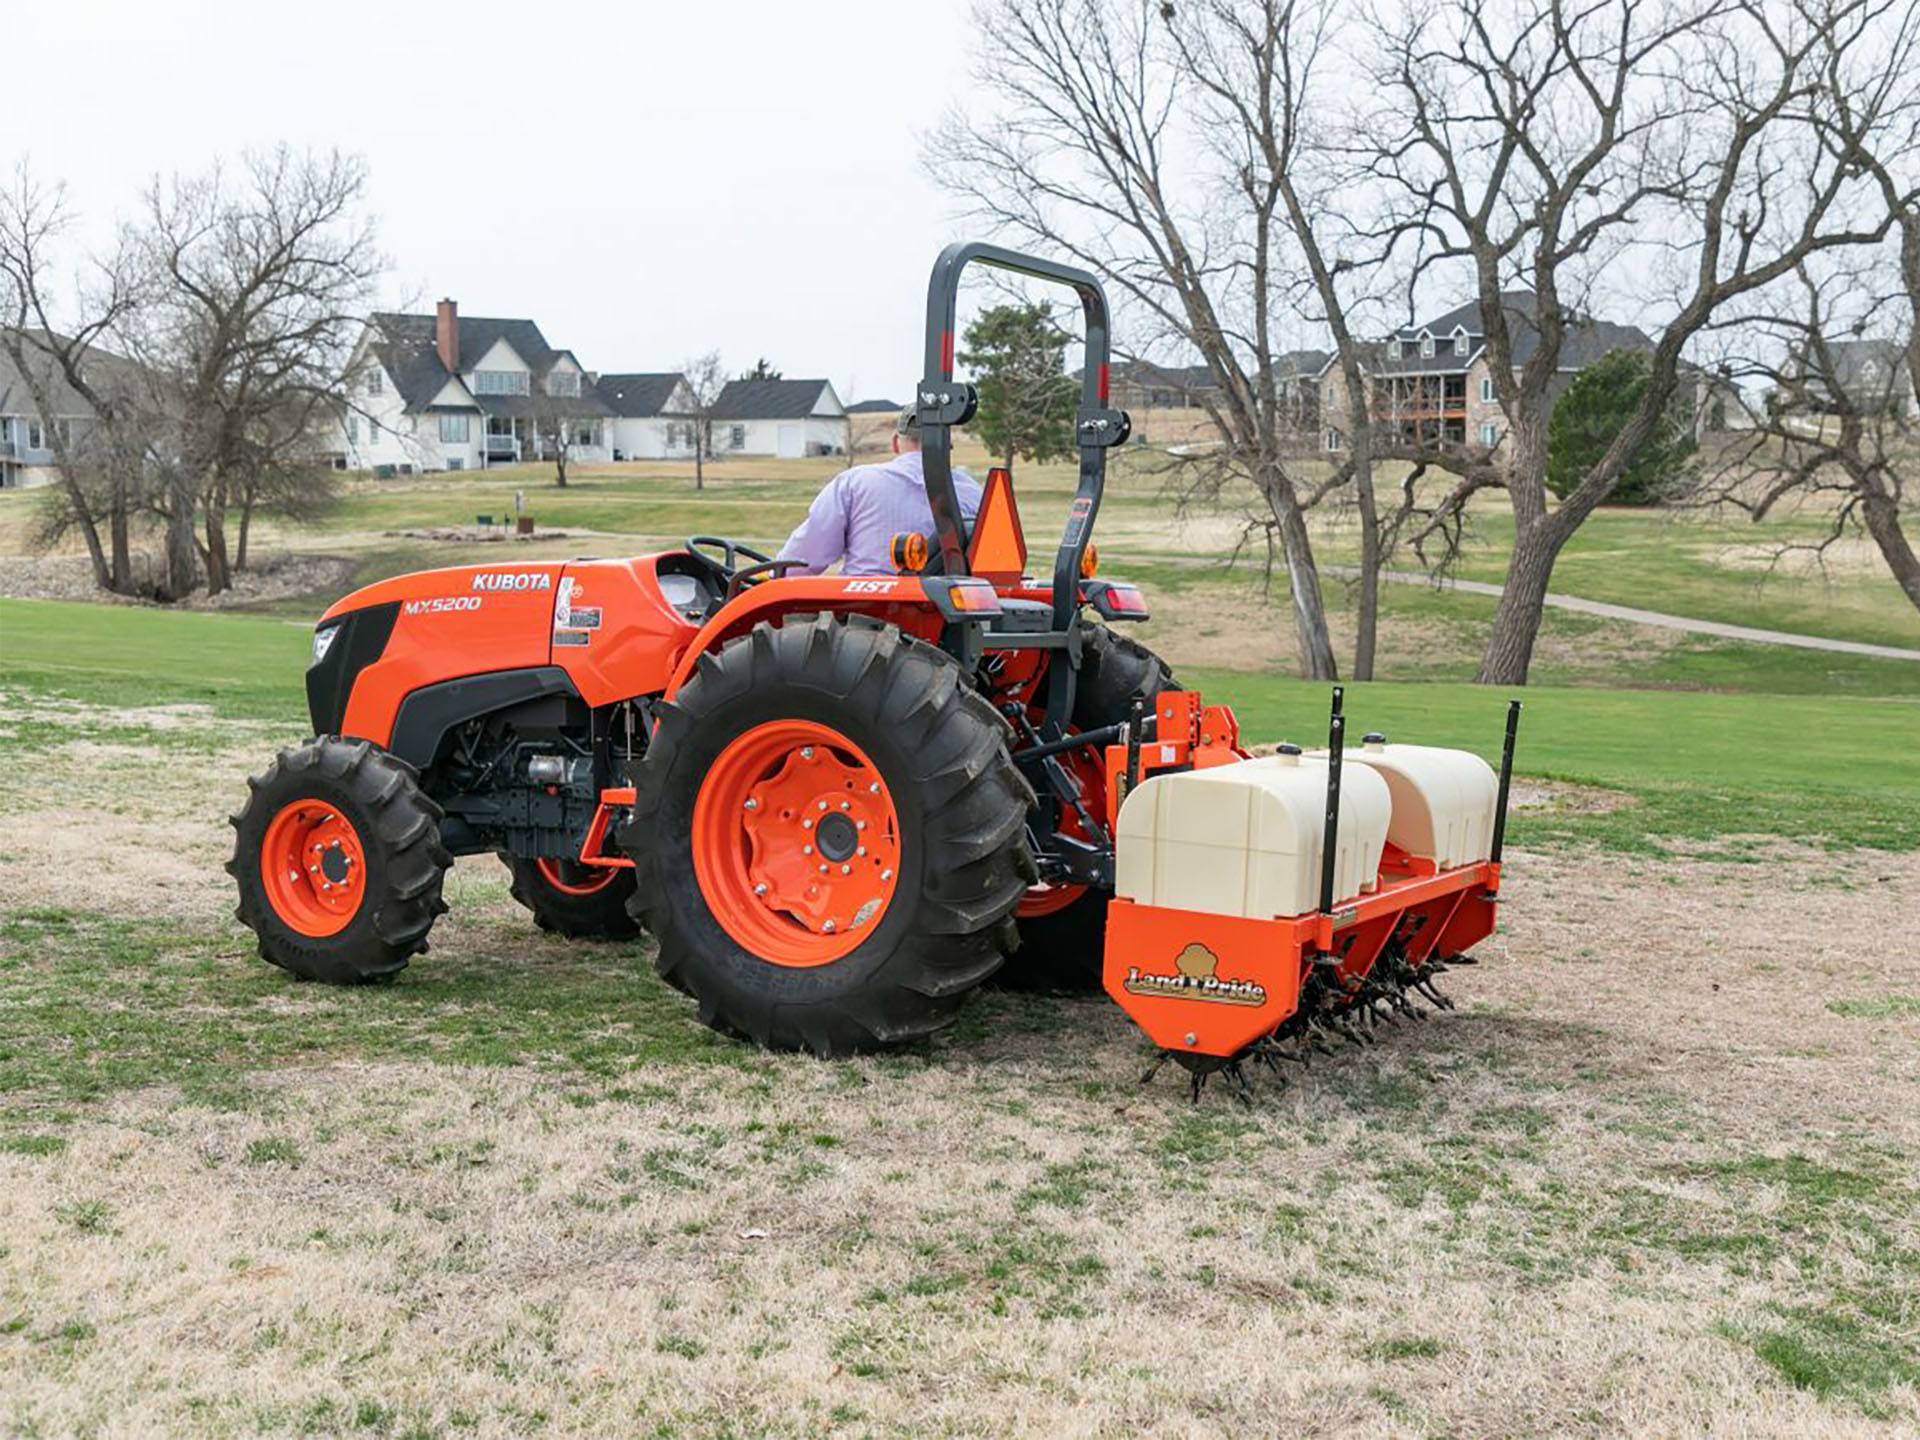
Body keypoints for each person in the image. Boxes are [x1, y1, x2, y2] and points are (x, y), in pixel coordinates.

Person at [777, 406, 981, 576]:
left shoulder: (855, 483)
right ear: (947, 446)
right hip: (942, 615)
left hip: (863, 613)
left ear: (895, 443)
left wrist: (775, 575)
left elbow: (804, 557)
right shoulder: (974, 494)